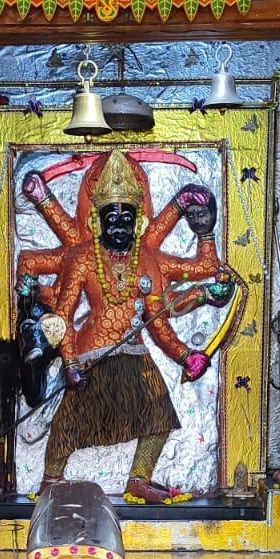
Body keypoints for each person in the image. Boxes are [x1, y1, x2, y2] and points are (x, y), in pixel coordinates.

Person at [16, 149, 231, 502]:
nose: (119, 223)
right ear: (98, 220)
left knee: (160, 412)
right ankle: (50, 481)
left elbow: (157, 319)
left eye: (126, 216)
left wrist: (184, 355)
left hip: (134, 353)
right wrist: (69, 363)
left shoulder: (146, 260)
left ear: (139, 222)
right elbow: (64, 316)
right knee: (70, 422)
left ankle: (139, 481)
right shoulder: (82, 258)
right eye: (111, 216)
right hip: (91, 354)